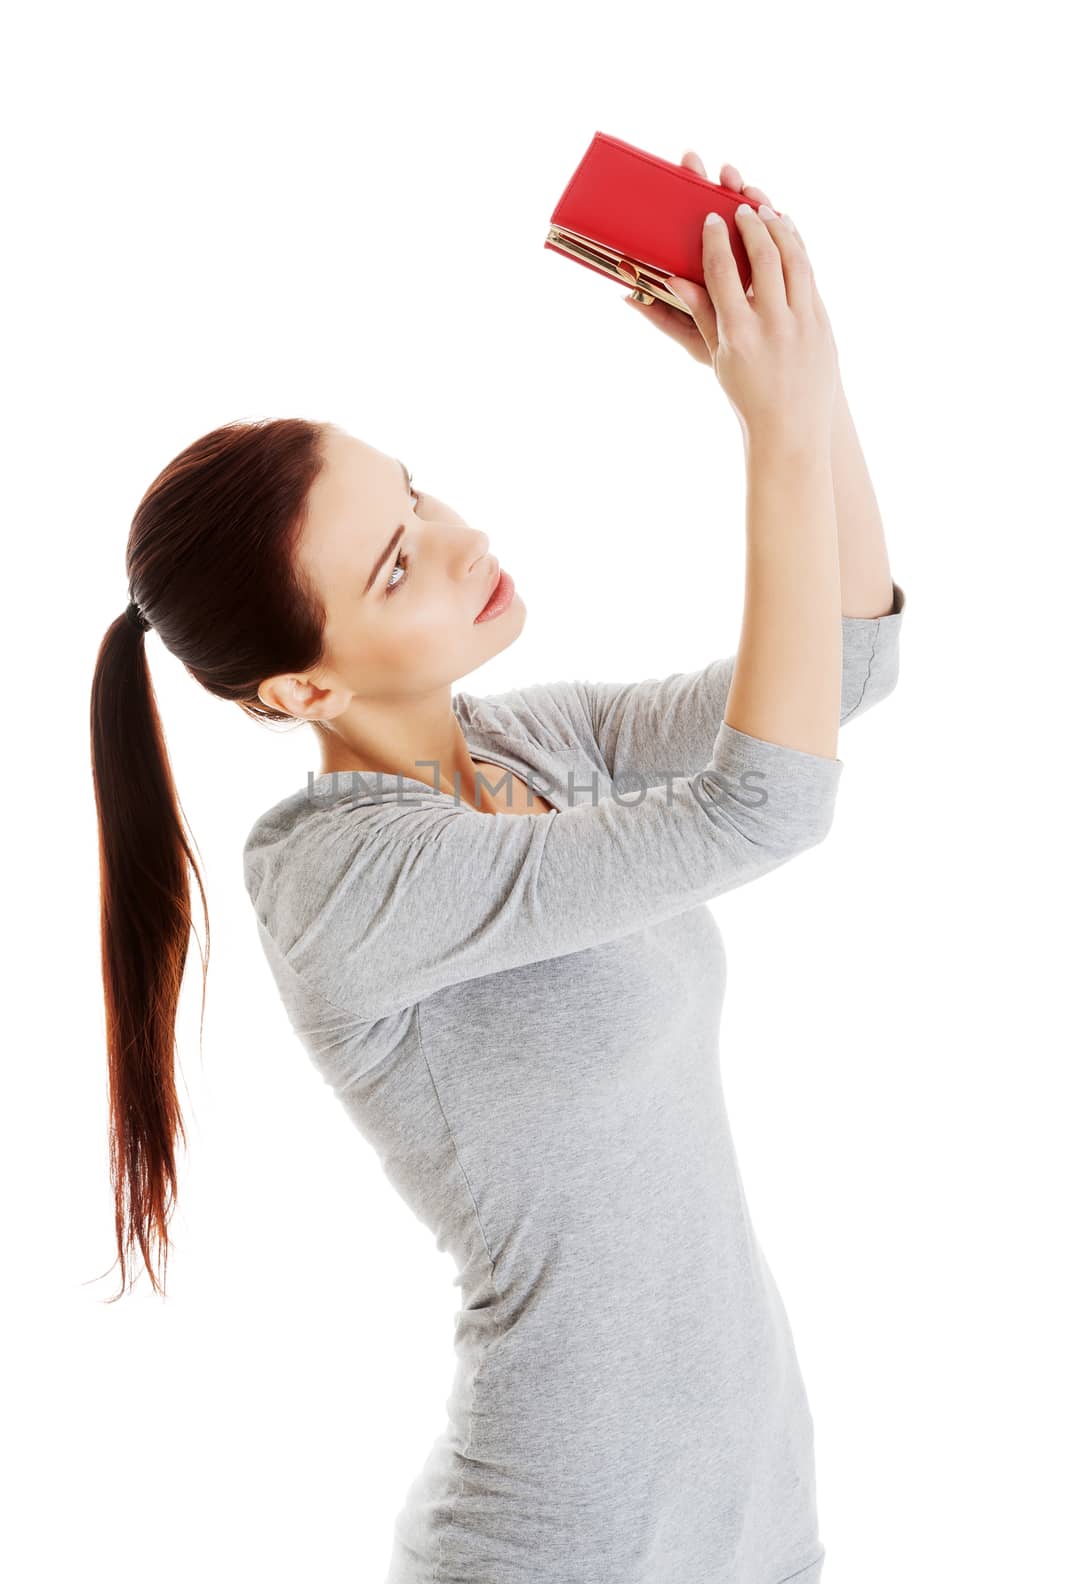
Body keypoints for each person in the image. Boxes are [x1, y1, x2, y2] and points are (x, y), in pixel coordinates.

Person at [89, 184, 905, 1584]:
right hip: (557, 1537)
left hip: (751, 1499)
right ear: (304, 686)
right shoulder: (338, 880)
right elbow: (767, 806)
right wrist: (772, 438)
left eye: (416, 493)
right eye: (399, 563)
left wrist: (804, 381)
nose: (463, 538)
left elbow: (852, 667)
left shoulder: (532, 740)